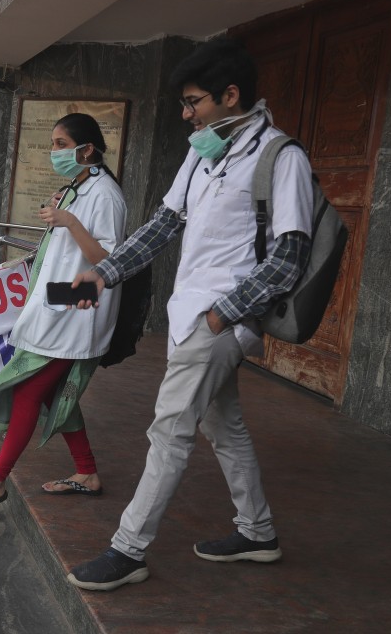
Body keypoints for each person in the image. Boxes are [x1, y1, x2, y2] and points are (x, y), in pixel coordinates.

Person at [67, 38, 314, 591]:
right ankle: (257, 532)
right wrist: (104, 273)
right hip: (191, 318)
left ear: (231, 96)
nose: (186, 114)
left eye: (194, 101)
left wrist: (222, 316)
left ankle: (128, 550)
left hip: (221, 320)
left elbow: (289, 254)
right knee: (223, 427)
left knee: (169, 430)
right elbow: (163, 225)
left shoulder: (281, 156)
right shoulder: (203, 154)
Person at [0, 113, 126, 514]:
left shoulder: (106, 195)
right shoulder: (75, 188)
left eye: (62, 145)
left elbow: (111, 259)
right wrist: (16, 265)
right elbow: (57, 251)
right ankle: (86, 471)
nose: (54, 153)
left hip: (80, 309)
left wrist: (69, 221)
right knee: (54, 394)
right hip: (58, 304)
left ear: (88, 149)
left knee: (29, 390)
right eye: (54, 144)